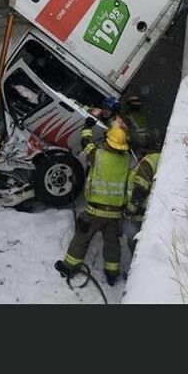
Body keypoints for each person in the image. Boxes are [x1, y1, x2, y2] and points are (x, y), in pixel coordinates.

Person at [55, 113, 131, 287]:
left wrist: (87, 127)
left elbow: (86, 143)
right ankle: (112, 273)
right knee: (112, 244)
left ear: (109, 142)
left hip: (95, 211)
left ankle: (68, 267)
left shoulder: (98, 155)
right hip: (115, 214)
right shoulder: (126, 160)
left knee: (82, 238)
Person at [125, 130, 163, 259]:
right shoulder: (163, 159)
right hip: (154, 214)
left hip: (140, 215)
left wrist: (130, 210)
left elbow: (141, 188)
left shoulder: (148, 162)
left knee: (135, 245)